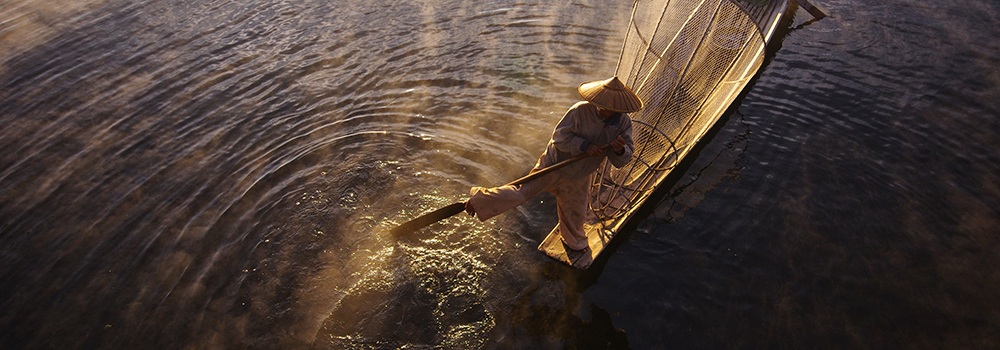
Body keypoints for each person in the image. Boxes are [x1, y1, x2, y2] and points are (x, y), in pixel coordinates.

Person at [464, 76, 643, 251]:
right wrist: (584, 146)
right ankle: (478, 201)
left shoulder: (623, 124)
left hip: (579, 176)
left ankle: (575, 245)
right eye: (601, 105)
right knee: (521, 193)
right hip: (553, 165)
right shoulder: (579, 111)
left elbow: (623, 158)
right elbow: (559, 138)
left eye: (607, 108)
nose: (602, 109)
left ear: (617, 109)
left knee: (575, 215)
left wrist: (619, 150)